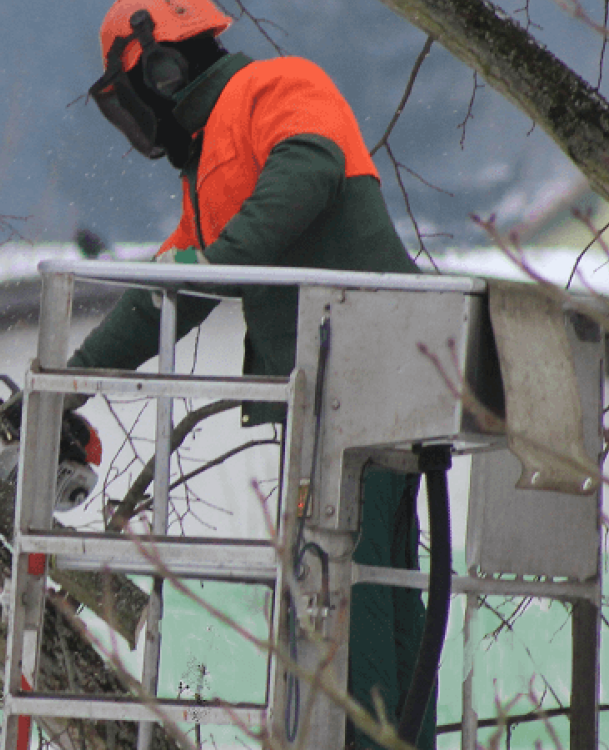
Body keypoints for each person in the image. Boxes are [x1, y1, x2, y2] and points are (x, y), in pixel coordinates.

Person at [68, 2, 433, 747]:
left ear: (160, 70)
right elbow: (165, 299)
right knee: (373, 593)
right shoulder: (209, 166)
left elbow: (312, 168)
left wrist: (219, 261)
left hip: (370, 373)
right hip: (339, 394)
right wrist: (67, 380)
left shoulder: (277, 85)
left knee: (349, 594)